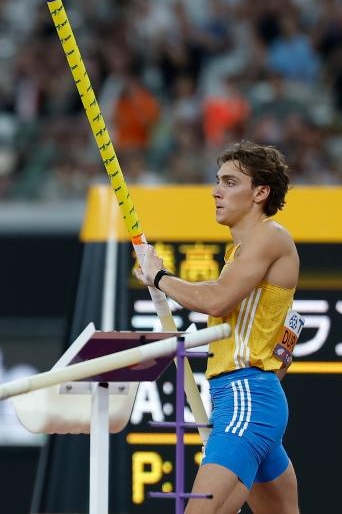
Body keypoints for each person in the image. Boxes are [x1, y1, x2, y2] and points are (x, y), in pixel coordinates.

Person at [135, 140, 300, 514]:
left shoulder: (270, 237)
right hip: (248, 399)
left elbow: (217, 300)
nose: (215, 191)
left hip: (246, 398)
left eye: (229, 182)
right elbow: (283, 345)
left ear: (260, 193)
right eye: (217, 181)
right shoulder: (242, 255)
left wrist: (159, 276)